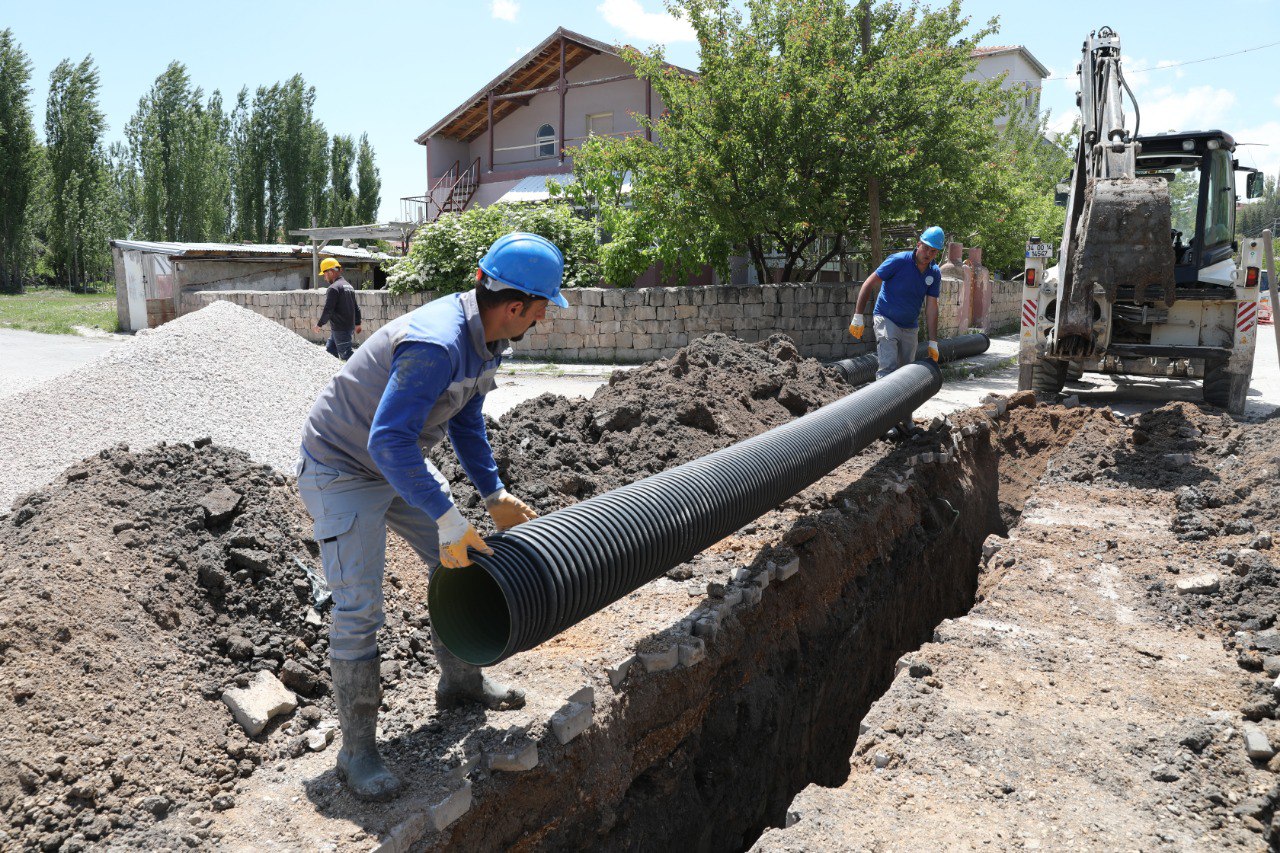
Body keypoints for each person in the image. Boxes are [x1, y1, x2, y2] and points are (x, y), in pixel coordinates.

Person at [296, 232, 567, 801]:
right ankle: (357, 752)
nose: (543, 319)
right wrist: (446, 515)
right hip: (342, 466)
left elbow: (466, 419)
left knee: (461, 558)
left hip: (394, 461)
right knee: (360, 605)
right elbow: (388, 438)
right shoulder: (437, 344)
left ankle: (460, 685)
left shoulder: (487, 341)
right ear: (515, 306)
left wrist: (491, 495)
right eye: (543, 308)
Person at [848, 226, 945, 378]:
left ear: (937, 252)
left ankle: (903, 402)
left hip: (909, 326)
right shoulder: (899, 261)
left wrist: (933, 342)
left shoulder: (934, 273)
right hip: (886, 318)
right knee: (888, 367)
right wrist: (858, 316)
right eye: (926, 248)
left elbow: (932, 307)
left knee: (905, 373)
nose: (928, 253)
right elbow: (869, 283)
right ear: (918, 244)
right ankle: (882, 401)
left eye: (933, 251)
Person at [314, 258, 362, 360]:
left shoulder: (333, 288)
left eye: (324, 274)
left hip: (340, 328)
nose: (324, 278)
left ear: (331, 272)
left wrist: (319, 324)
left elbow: (328, 309)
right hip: (346, 327)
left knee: (346, 355)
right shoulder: (349, 286)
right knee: (330, 350)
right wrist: (357, 323)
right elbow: (356, 308)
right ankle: (333, 372)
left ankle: (365, 370)